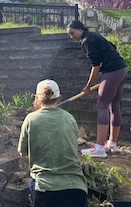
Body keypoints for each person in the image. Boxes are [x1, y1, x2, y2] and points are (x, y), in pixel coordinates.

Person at [18, 79, 88, 207]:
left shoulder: (31, 119)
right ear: (59, 98)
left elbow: (22, 152)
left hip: (45, 189)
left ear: (36, 98)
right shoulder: (70, 118)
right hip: (76, 187)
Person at [66, 20, 128, 158]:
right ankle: (111, 143)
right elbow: (114, 47)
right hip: (122, 69)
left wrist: (88, 86)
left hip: (112, 71)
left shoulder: (86, 41)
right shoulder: (94, 35)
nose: (72, 36)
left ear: (79, 29)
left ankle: (99, 148)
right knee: (115, 104)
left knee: (102, 106)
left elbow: (96, 66)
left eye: (72, 33)